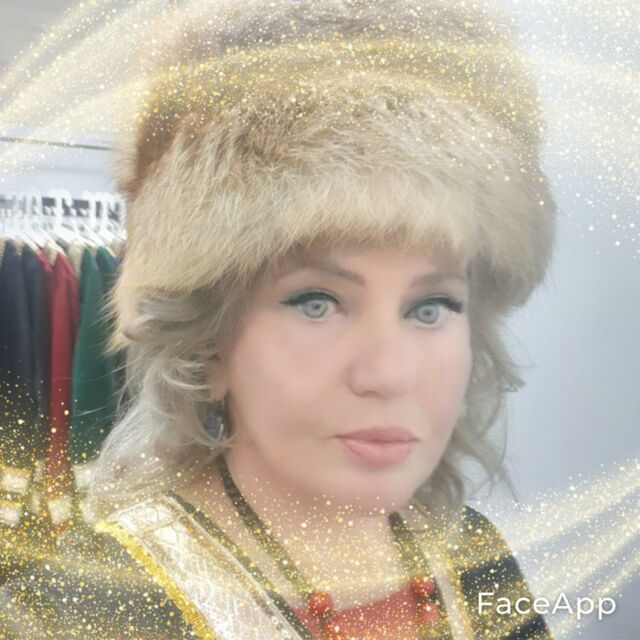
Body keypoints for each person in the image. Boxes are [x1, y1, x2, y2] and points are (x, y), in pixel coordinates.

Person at [0, 0, 557, 638]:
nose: (390, 373)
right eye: (316, 302)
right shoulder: (84, 614)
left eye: (431, 307)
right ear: (206, 344)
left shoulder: (473, 558)